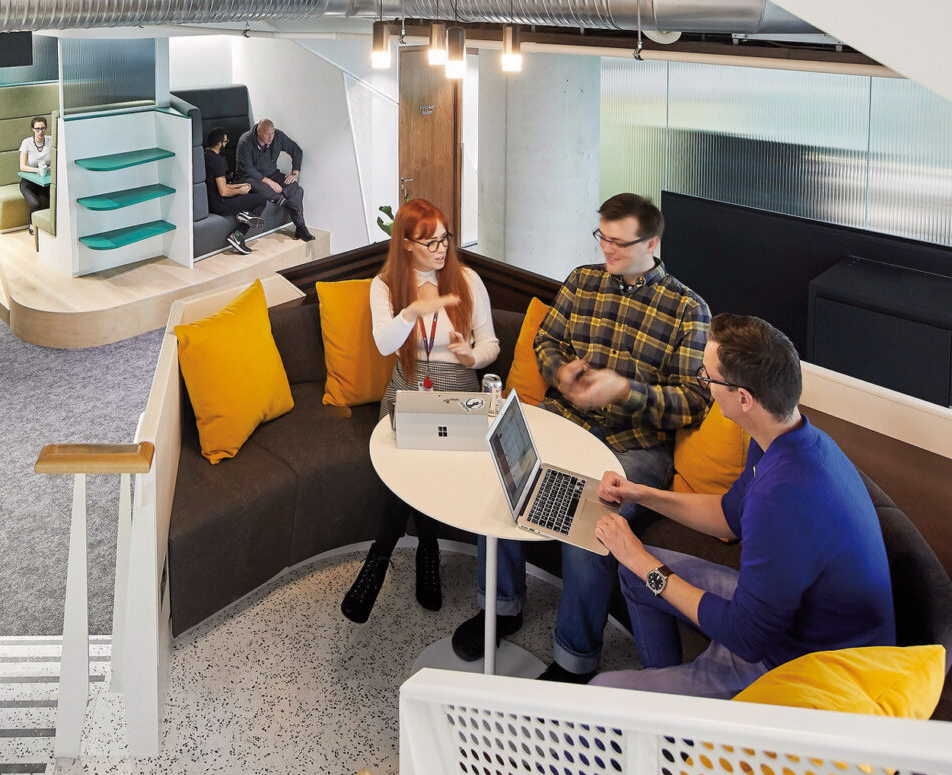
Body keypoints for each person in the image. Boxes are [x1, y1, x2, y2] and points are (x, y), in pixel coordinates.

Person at [452, 193, 711, 681]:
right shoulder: (582, 280)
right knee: (502, 472)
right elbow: (547, 340)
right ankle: (502, 606)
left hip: (633, 444)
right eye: (602, 237)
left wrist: (627, 391)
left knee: (589, 518)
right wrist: (561, 374)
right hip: (564, 419)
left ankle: (575, 658)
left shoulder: (688, 310)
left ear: (652, 242)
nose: (607, 250)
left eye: (618, 241)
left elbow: (692, 402)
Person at [590, 313, 896, 698]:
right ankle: (671, 714)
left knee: (602, 690)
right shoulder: (786, 436)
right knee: (634, 572)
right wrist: (640, 493)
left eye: (708, 377)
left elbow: (747, 638)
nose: (704, 384)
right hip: (783, 621)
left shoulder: (784, 499)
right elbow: (728, 515)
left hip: (804, 665)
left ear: (744, 399)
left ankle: (673, 714)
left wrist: (640, 559)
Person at [342, 199, 500, 624]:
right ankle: (424, 552)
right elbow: (384, 344)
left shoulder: (467, 280)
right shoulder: (387, 286)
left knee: (424, 461)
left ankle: (382, 557)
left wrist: (471, 357)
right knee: (407, 462)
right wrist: (412, 311)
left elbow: (491, 345)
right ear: (407, 244)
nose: (441, 248)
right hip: (407, 391)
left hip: (457, 394)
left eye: (445, 239)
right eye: (430, 241)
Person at [236, 119, 315, 242]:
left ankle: (301, 228)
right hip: (250, 177)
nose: (270, 137)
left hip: (272, 174)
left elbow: (297, 151)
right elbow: (248, 169)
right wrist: (269, 182)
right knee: (257, 184)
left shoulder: (278, 136)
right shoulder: (245, 141)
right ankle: (285, 203)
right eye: (267, 134)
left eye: (272, 133)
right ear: (258, 132)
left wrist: (295, 173)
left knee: (294, 186)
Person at [203, 127, 268, 255]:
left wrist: (239, 186)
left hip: (211, 201)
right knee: (261, 200)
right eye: (225, 142)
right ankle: (238, 236)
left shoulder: (206, 155)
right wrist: (240, 191)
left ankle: (245, 214)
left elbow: (219, 185)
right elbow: (223, 192)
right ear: (219, 143)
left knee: (249, 189)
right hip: (220, 205)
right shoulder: (218, 161)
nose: (226, 144)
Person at [17, 115, 52, 218]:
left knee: (57, 201)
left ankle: (52, 227)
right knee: (35, 204)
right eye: (37, 129)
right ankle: (32, 225)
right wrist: (37, 170)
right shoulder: (26, 143)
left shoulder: (51, 140)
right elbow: (22, 167)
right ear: (33, 129)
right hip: (29, 183)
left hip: (45, 183)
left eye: (43, 128)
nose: (40, 131)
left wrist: (52, 167)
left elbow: (59, 159)